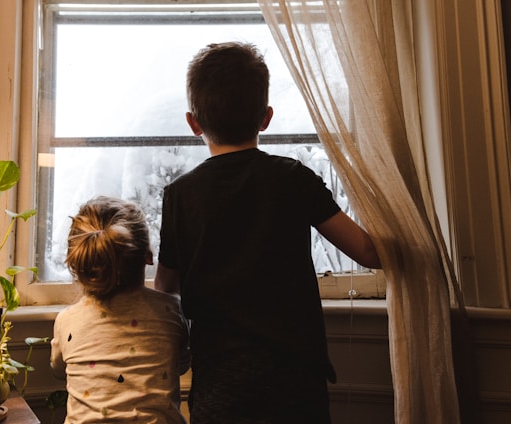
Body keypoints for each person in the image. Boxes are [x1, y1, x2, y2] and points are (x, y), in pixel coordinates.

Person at [155, 42, 381, 424]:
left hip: (219, 384)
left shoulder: (180, 195)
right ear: (266, 117)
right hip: (295, 381)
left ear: (193, 123)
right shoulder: (293, 177)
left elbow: (166, 287)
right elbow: (369, 252)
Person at [50, 196, 191, 423]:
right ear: (148, 256)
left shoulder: (67, 321)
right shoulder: (171, 312)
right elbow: (182, 365)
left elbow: (58, 370)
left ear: (78, 266)